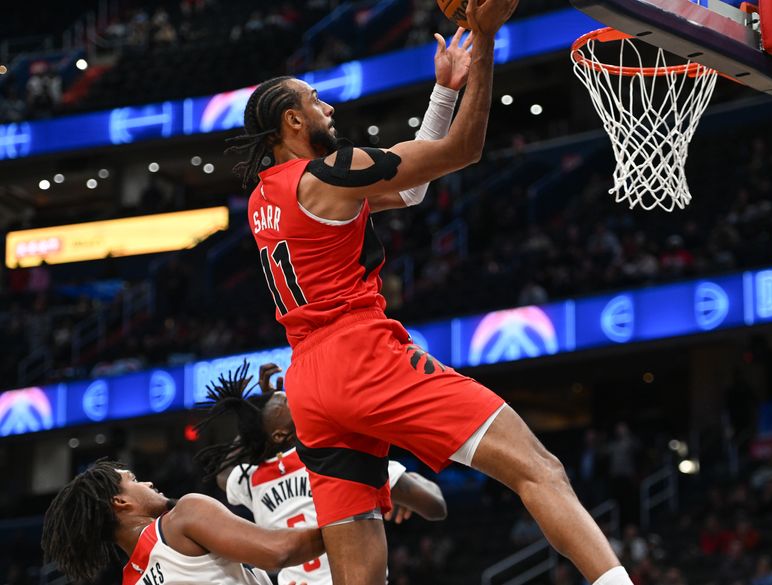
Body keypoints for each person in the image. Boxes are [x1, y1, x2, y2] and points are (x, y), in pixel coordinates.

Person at [225, 1, 627, 584]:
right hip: (360, 355)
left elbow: (408, 193)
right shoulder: (329, 173)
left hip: (308, 383)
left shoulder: (268, 196)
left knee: (359, 576)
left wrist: (442, 92)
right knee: (538, 468)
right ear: (291, 120)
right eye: (316, 100)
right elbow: (463, 150)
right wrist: (485, 40)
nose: (329, 107)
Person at [195, 362, 448, 585]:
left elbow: (223, 474)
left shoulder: (252, 481)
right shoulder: (337, 455)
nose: (289, 395)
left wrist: (253, 424)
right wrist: (408, 483)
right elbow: (436, 506)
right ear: (281, 434)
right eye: (283, 401)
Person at [41, 460, 324, 584]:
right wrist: (351, 519)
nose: (149, 483)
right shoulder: (182, 518)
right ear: (121, 503)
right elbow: (279, 552)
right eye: (135, 481)